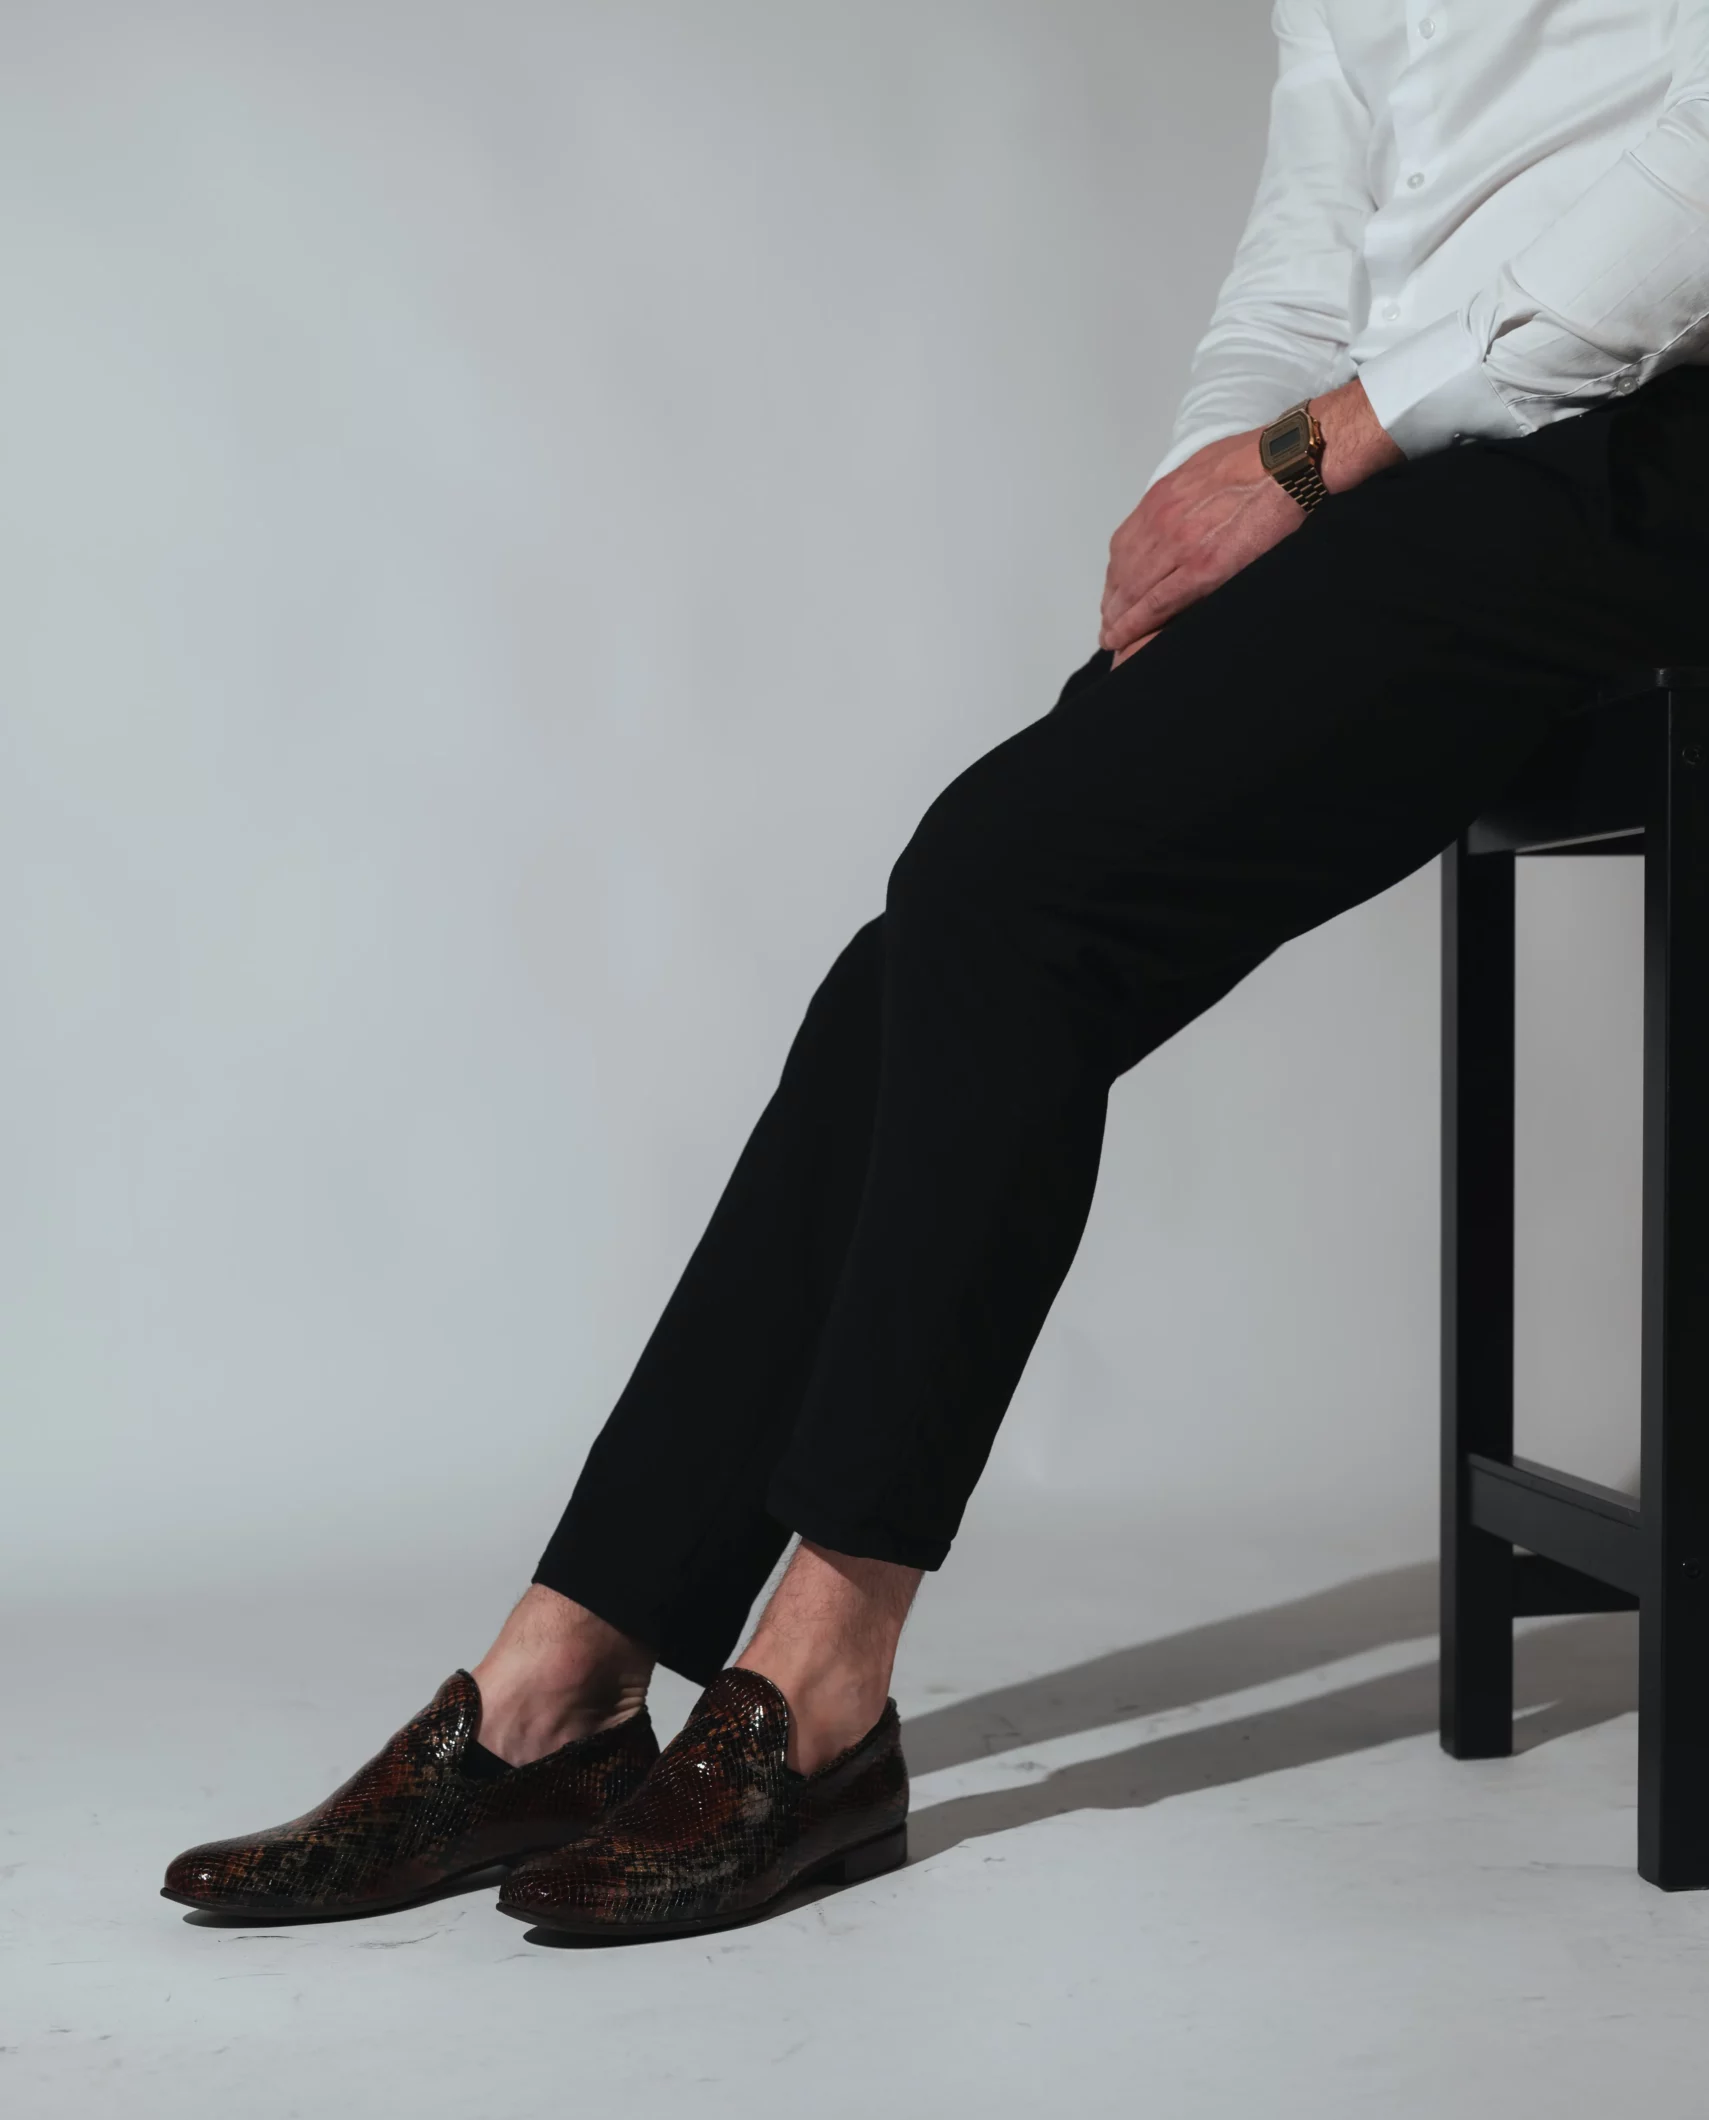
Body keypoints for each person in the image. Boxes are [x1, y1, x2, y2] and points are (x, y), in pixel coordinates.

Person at [164, 1, 1709, 1940]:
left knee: (998, 885)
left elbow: (1684, 196)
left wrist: (1310, 457)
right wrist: (1208, 498)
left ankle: (823, 1683)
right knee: (917, 965)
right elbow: (1317, 228)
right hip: (1419, 465)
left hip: (1649, 437)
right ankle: (561, 1676)